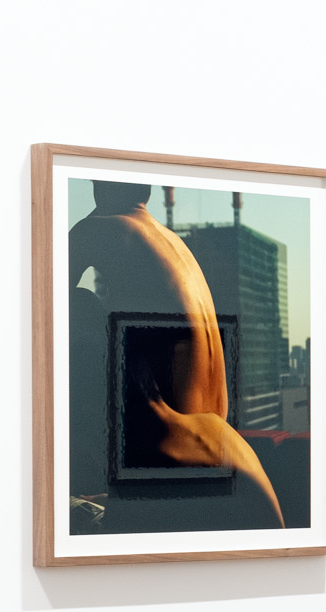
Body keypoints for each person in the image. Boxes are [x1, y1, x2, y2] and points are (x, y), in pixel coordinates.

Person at [67, 181, 282, 528]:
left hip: (161, 462)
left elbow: (37, 303)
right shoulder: (175, 244)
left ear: (98, 185)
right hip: (212, 443)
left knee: (78, 303)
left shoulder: (97, 229)